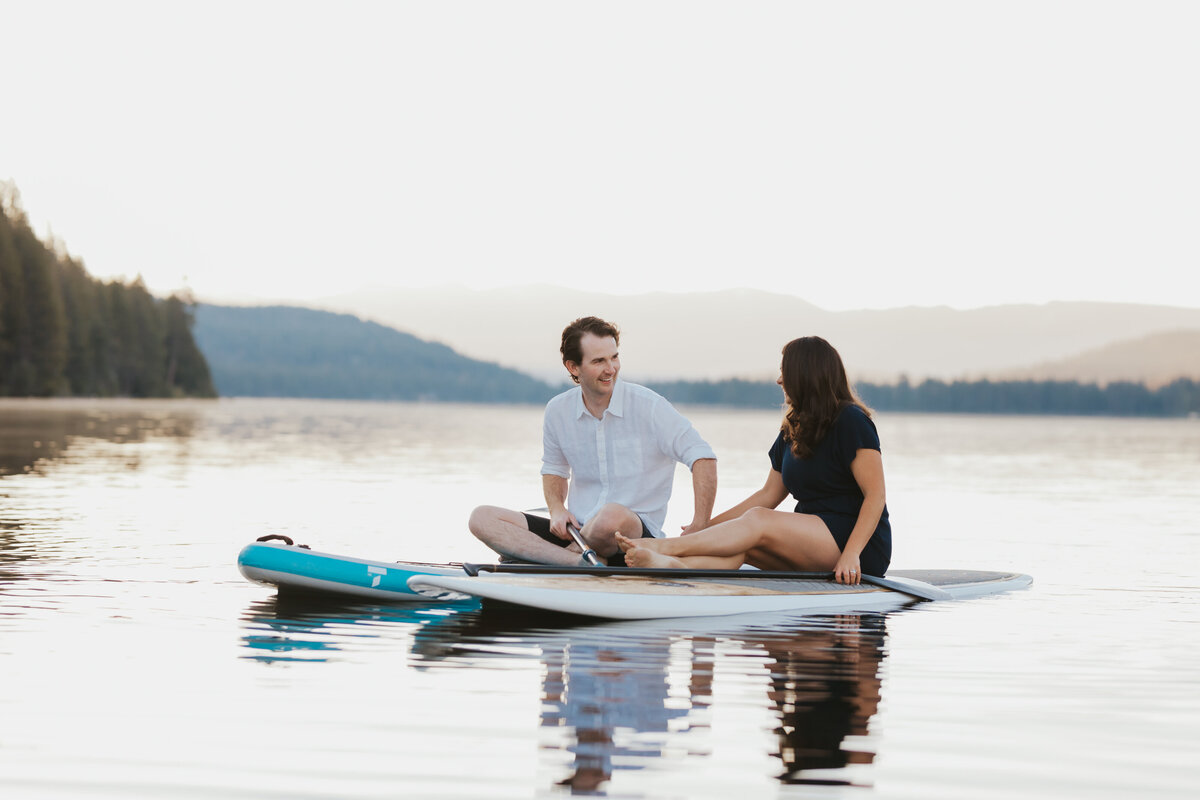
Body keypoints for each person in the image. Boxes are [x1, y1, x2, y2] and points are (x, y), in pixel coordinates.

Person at [615, 336, 891, 584]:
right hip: (810, 539)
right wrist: (706, 527)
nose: (779, 380)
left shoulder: (851, 421)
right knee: (741, 545)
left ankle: (664, 547)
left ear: (805, 375)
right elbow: (768, 495)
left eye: (784, 372)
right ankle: (673, 567)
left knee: (758, 521)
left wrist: (852, 554)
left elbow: (875, 495)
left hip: (856, 546)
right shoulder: (793, 428)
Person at [468, 316, 718, 566]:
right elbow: (554, 470)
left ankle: (541, 557)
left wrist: (700, 524)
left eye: (614, 357)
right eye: (599, 361)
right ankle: (576, 562)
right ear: (573, 367)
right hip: (577, 532)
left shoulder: (650, 406)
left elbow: (702, 457)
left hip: (634, 537)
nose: (611, 368)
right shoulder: (558, 410)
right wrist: (556, 509)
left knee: (611, 514)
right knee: (482, 518)